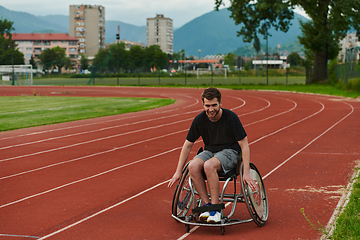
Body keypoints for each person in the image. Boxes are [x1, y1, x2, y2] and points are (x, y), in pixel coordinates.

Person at [168, 87, 257, 223]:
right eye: (207, 105)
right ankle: (207, 205)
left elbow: (244, 145)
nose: (211, 109)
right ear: (203, 105)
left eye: (214, 105)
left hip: (230, 152)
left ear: (220, 103)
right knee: (192, 166)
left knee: (209, 166)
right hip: (210, 151)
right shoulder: (200, 119)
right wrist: (178, 171)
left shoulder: (231, 118)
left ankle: (216, 210)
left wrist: (246, 173)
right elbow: (187, 145)